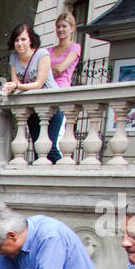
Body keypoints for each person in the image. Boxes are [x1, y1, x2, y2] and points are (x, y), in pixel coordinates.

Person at [2, 24, 58, 163]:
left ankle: (65, 176)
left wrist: (16, 85)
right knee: (39, 149)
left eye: (23, 39)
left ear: (31, 40)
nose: (19, 43)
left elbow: (38, 84)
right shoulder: (14, 58)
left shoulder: (42, 54)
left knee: (49, 148)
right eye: (16, 40)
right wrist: (13, 86)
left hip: (52, 107)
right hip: (33, 110)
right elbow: (16, 84)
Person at [45, 12, 83, 162]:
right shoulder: (49, 51)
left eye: (64, 26)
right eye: (58, 26)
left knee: (56, 138)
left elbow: (61, 68)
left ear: (72, 28)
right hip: (46, 92)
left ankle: (60, 165)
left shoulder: (75, 47)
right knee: (44, 138)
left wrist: (46, 70)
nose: (61, 30)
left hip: (61, 93)